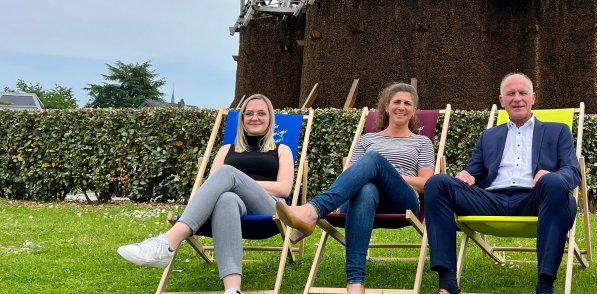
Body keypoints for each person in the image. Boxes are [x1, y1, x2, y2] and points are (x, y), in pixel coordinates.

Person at [118, 94, 294, 294]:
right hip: (236, 206)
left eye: (261, 113)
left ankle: (168, 242)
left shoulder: (282, 150)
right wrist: (234, 183)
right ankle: (232, 289)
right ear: (242, 119)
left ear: (270, 118)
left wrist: (240, 181)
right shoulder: (226, 150)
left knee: (227, 173)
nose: (255, 117)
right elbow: (214, 186)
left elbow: (284, 189)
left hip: (269, 208)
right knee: (226, 198)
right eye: (249, 113)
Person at [424, 73, 580, 294]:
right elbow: (474, 171)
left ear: (533, 98)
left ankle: (545, 286)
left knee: (554, 182)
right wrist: (466, 175)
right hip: (492, 199)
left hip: (534, 199)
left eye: (523, 93)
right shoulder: (489, 136)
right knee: (438, 182)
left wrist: (550, 176)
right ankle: (447, 284)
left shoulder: (556, 131)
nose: (517, 98)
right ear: (502, 100)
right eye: (511, 94)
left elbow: (572, 172)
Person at [274, 83, 435, 294]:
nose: (401, 107)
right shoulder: (367, 139)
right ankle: (355, 283)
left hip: (402, 201)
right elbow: (350, 176)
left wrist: (387, 174)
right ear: (386, 107)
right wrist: (375, 174)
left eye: (407, 103)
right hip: (363, 200)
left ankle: (313, 210)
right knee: (366, 188)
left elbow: (426, 184)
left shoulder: (422, 142)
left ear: (414, 110)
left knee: (374, 160)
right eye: (396, 102)